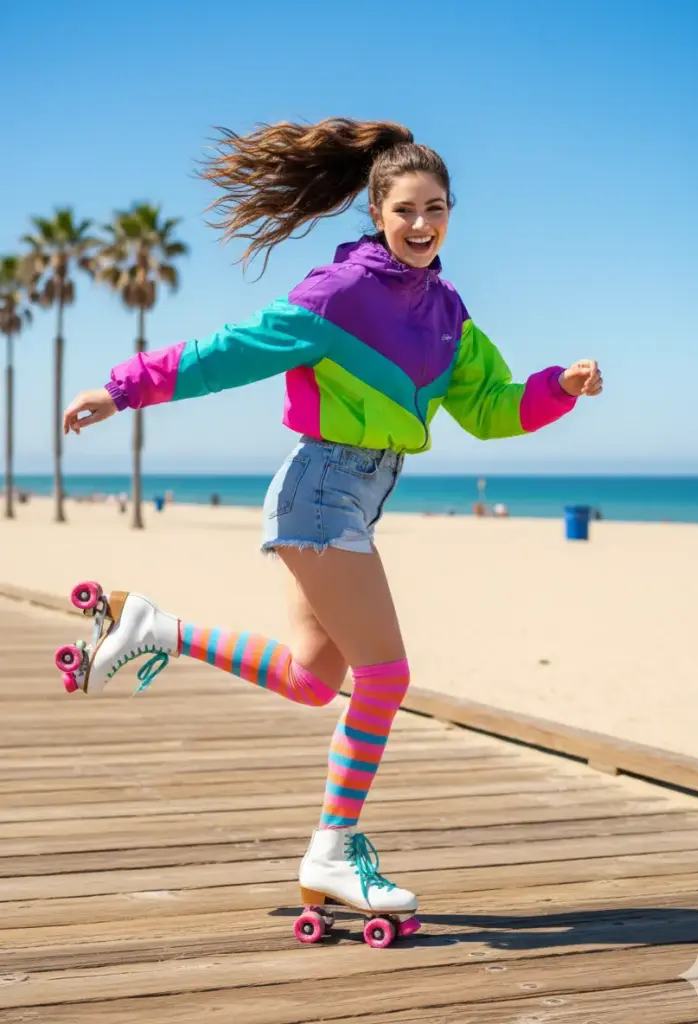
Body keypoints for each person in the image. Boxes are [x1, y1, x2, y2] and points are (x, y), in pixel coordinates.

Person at [60, 118, 603, 940]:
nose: (422, 225)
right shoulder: (339, 295)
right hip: (320, 491)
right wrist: (124, 388)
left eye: (438, 209)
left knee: (316, 681)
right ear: (377, 213)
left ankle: (155, 628)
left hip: (351, 500)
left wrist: (556, 386)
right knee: (384, 677)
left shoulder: (448, 313)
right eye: (406, 210)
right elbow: (231, 350)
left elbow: (490, 410)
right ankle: (331, 849)